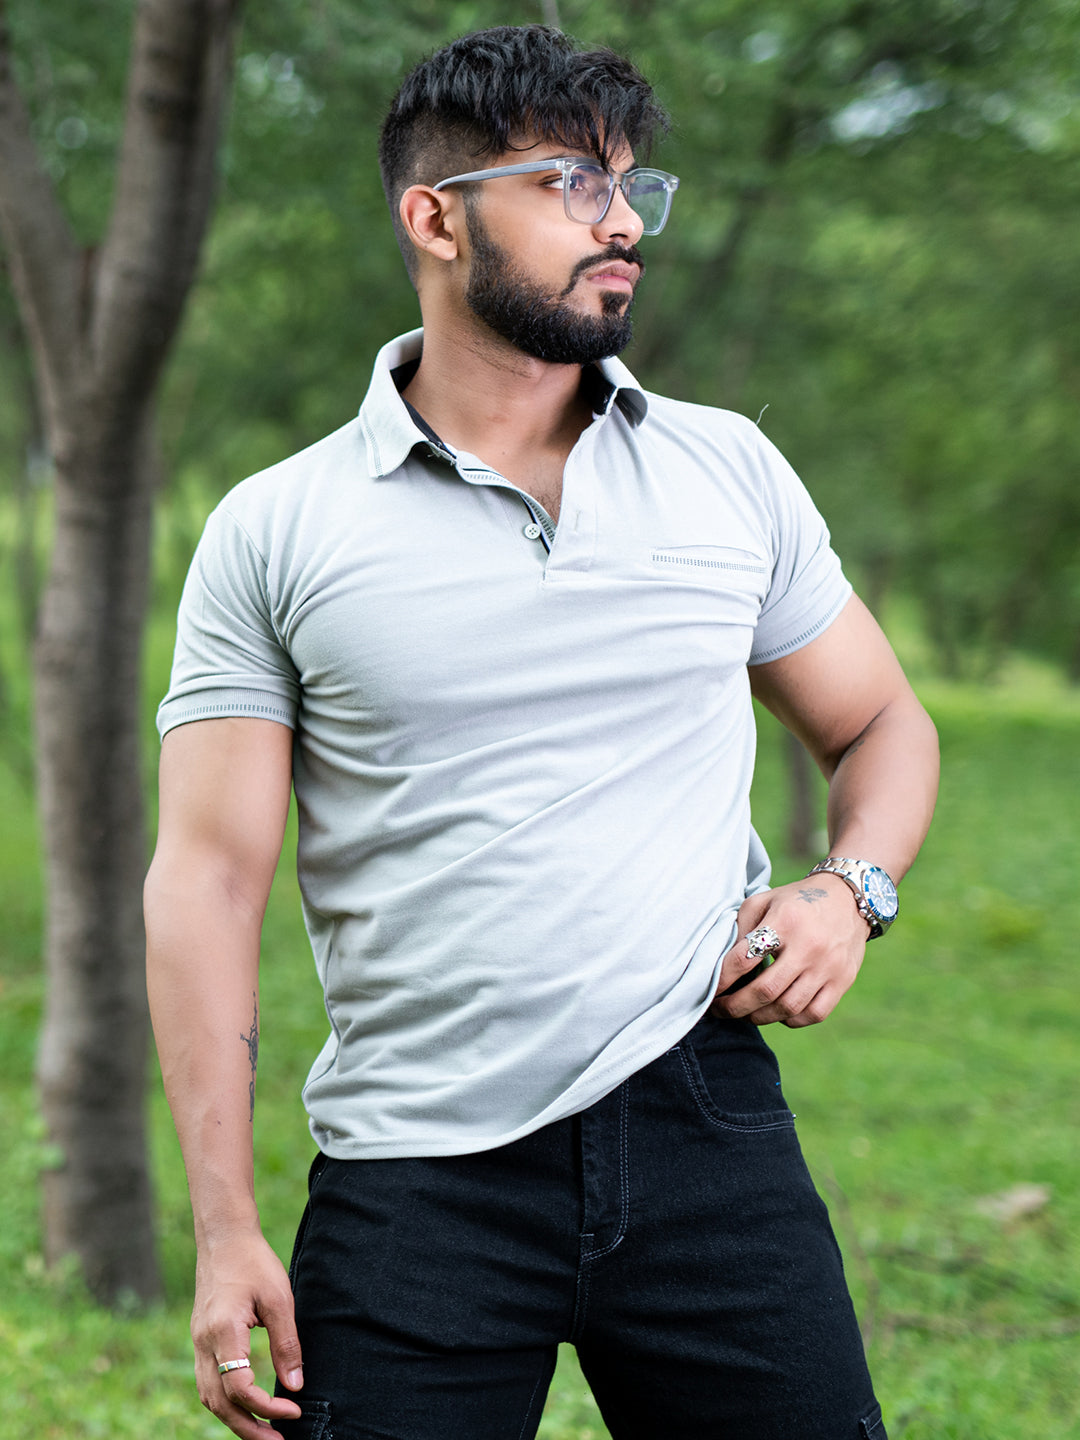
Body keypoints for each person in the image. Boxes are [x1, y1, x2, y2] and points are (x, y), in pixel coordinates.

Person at [145, 24, 938, 1440]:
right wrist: (222, 1230)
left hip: (706, 1126)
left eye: (634, 186)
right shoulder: (277, 528)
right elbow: (206, 881)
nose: (622, 220)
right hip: (415, 1173)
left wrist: (849, 887)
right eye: (573, 182)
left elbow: (880, 718)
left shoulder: (727, 469)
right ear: (434, 218)